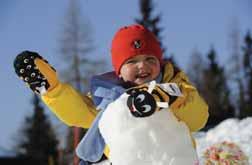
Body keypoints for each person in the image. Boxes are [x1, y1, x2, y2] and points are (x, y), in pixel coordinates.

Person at [14, 24, 209, 164]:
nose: (143, 66)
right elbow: (79, 112)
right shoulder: (109, 100)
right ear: (119, 70)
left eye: (150, 58)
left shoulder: (176, 87)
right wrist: (54, 90)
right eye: (132, 61)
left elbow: (197, 117)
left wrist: (165, 98)